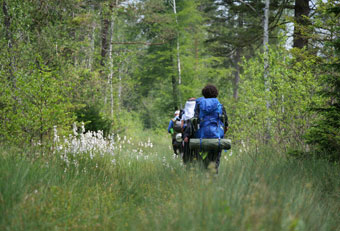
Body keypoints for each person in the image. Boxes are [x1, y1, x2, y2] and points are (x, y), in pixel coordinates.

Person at [193, 84, 228, 173]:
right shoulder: (220, 105)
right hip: (216, 135)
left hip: (202, 136)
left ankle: (205, 178)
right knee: (215, 160)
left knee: (203, 160)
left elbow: (194, 120)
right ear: (216, 93)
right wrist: (223, 132)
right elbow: (225, 123)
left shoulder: (199, 105)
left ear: (204, 94)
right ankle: (214, 177)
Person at [181, 98, 197, 164]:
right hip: (197, 134)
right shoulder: (197, 113)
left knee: (187, 150)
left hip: (187, 135)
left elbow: (181, 127)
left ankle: (187, 164)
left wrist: (184, 134)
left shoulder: (184, 115)